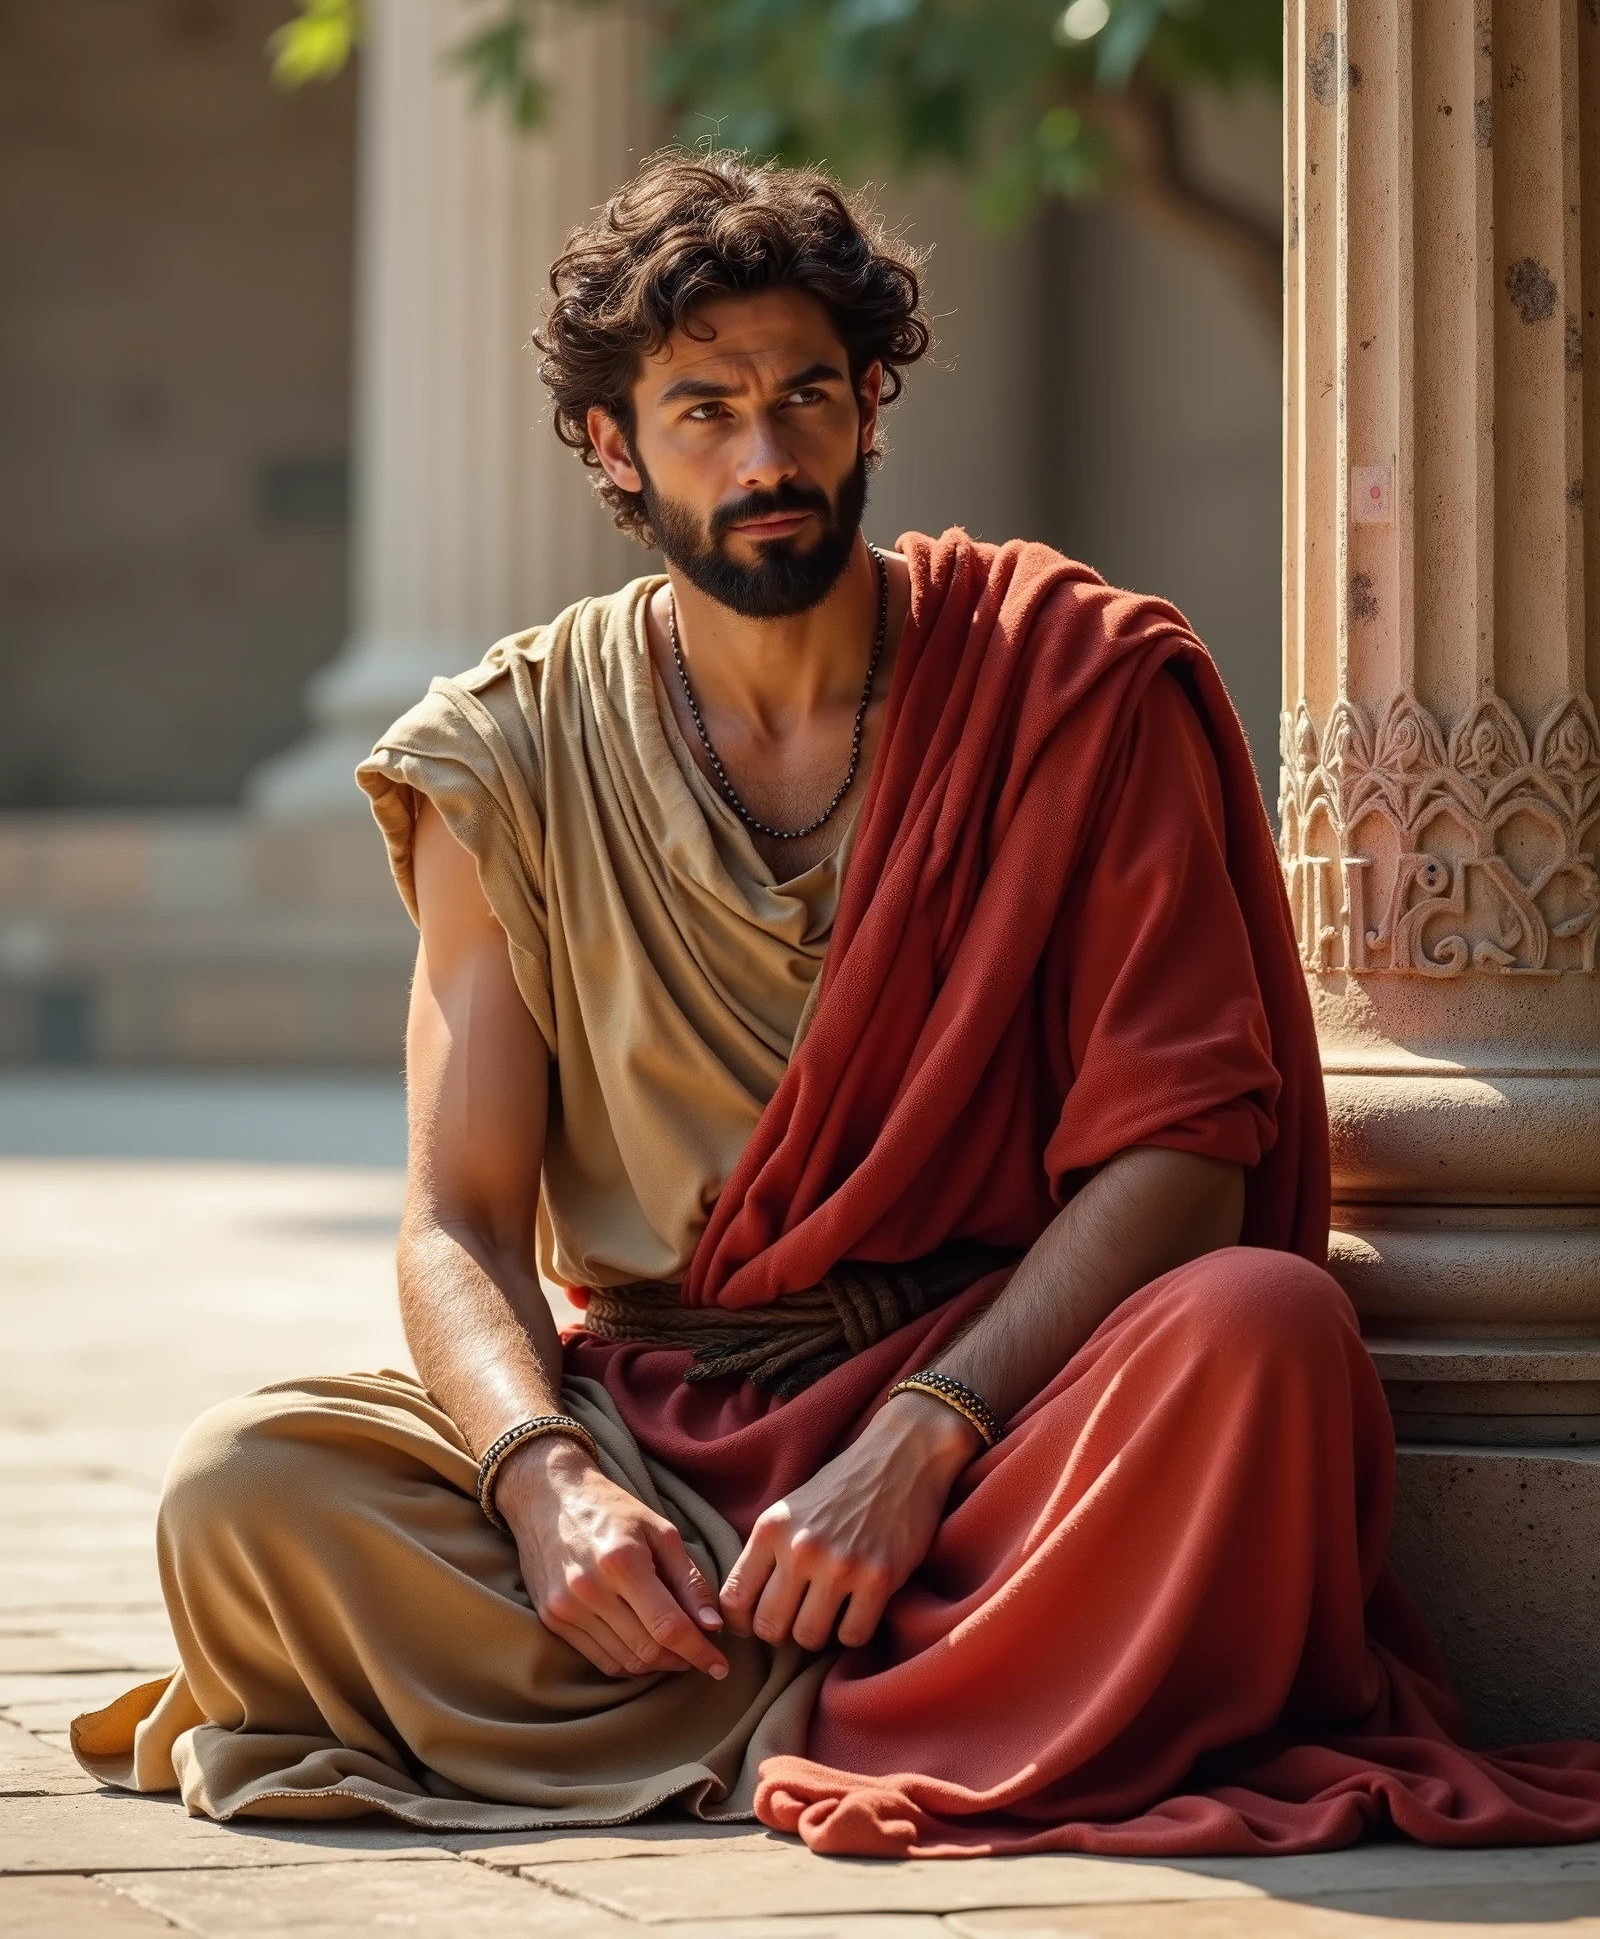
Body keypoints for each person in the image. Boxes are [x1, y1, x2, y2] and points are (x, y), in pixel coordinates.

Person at [74, 151, 1600, 1856]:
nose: (766, 454)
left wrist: (920, 1441)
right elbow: (457, 1221)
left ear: (873, 404)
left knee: (1264, 1332)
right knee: (244, 1486)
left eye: (808, 393)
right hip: (658, 1443)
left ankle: (717, 1707)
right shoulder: (511, 750)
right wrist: (545, 1483)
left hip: (1006, 1419)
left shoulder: (1067, 681)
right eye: (704, 408)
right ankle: (925, 1693)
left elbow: (1186, 1158)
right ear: (612, 446)